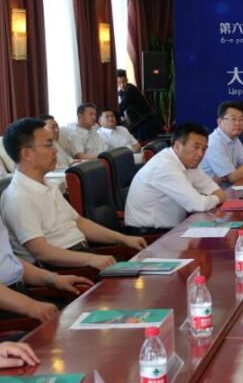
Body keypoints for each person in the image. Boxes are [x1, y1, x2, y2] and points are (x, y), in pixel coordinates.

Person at [0, 119, 146, 270]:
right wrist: (91, 259)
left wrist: (124, 238)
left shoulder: (47, 184)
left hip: (83, 254)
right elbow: (42, 252)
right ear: (27, 154)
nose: (55, 150)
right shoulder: (18, 197)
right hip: (63, 269)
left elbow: (79, 222)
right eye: (48, 144)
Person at [125, 123, 226, 229]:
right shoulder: (164, 166)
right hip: (149, 233)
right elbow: (199, 205)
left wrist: (215, 197)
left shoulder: (189, 162)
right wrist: (217, 198)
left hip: (173, 228)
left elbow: (215, 190)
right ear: (178, 146)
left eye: (204, 149)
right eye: (196, 147)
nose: (200, 154)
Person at [0, 213, 93, 323]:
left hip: (20, 293)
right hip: (9, 307)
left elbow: (8, 260)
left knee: (89, 312)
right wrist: (30, 305)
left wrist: (52, 278)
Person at [200, 101, 243, 184]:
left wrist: (237, 172)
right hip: (209, 189)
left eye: (241, 119)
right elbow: (233, 177)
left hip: (226, 186)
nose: (238, 123)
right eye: (233, 119)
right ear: (220, 122)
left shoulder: (235, 139)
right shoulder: (214, 143)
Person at [117, 69, 159, 141]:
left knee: (146, 143)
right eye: (119, 83)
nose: (122, 85)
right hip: (139, 120)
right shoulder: (121, 91)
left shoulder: (131, 89)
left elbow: (122, 106)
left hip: (147, 119)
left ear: (127, 80)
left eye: (124, 82)